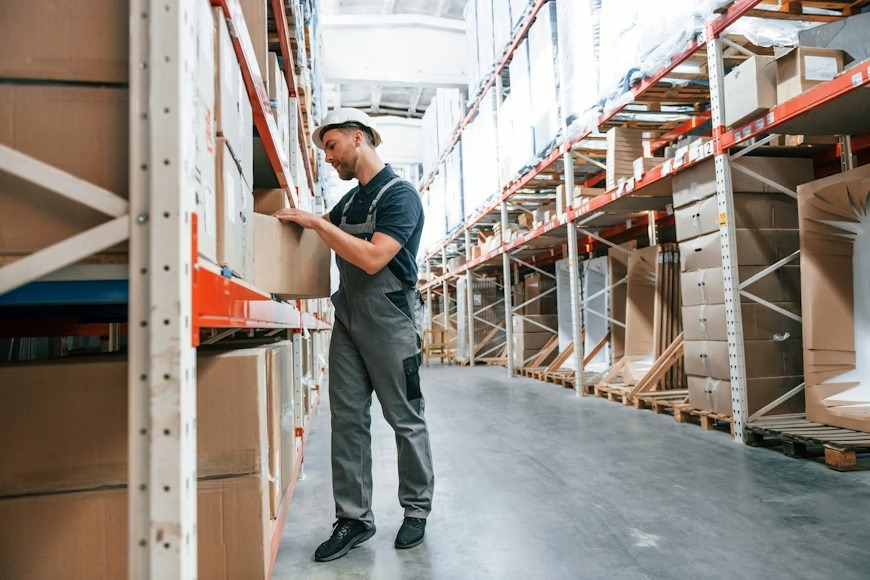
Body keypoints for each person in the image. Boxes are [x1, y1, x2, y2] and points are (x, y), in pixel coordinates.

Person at [274, 108, 435, 562]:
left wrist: (319, 224)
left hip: (389, 316)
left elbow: (371, 258)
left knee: (404, 417)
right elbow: (314, 234)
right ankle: (354, 519)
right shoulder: (349, 202)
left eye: (332, 146)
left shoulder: (400, 196)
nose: (328, 158)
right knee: (347, 418)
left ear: (358, 138)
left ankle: (416, 510)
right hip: (348, 315)